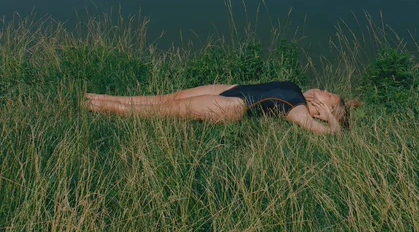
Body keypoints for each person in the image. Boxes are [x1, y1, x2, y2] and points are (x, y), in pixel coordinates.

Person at [85, 80, 361, 134]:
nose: (325, 91)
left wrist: (329, 118)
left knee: (164, 111)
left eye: (329, 97)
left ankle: (100, 107)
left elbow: (332, 134)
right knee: (170, 97)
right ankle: (102, 97)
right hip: (232, 89)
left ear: (321, 110)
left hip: (232, 105)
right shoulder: (299, 90)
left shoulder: (298, 109)